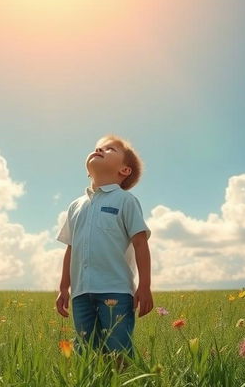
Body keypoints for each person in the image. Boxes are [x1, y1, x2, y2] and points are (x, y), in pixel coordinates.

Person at [55, 134, 153, 359]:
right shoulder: (75, 206)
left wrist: (144, 286)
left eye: (110, 149)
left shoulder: (125, 200)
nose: (100, 149)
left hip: (116, 290)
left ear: (124, 171)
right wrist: (63, 288)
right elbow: (71, 248)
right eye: (98, 147)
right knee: (84, 350)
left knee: (118, 349)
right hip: (81, 292)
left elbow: (140, 243)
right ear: (89, 171)